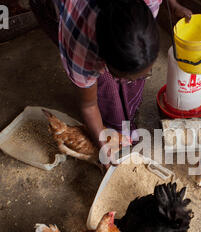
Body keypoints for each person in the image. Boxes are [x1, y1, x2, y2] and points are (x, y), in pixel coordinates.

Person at [30, 0, 191, 161]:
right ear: (104, 61)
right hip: (53, 5)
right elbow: (88, 105)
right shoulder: (80, 51)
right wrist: (103, 146)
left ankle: (125, 118)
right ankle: (116, 125)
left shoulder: (151, 2)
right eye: (123, 77)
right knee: (106, 89)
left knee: (130, 83)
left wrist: (173, 5)